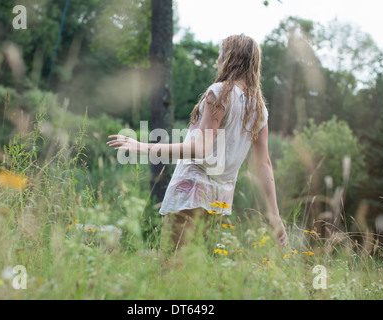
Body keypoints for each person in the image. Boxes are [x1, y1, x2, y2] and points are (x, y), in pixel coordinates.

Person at [107, 34, 288, 254]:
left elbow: (200, 149)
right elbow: (264, 165)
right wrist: (275, 215)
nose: (217, 62)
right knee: (192, 273)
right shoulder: (259, 108)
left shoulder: (220, 93)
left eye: (221, 56)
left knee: (170, 266)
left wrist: (144, 148)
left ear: (231, 59)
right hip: (219, 200)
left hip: (192, 191)